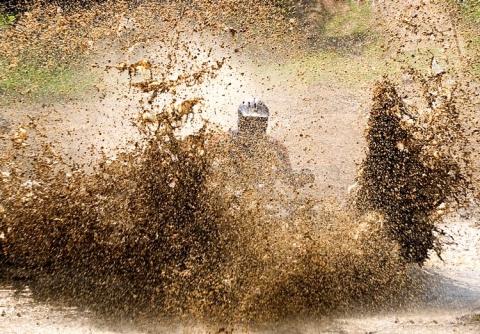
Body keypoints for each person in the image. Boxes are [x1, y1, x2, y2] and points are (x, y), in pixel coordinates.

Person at [211, 98, 314, 188]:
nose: (253, 127)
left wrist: (302, 176)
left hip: (262, 196)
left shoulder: (275, 147)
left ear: (265, 123)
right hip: (226, 192)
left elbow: (288, 178)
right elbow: (201, 164)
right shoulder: (222, 141)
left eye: (258, 123)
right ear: (240, 121)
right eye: (249, 122)